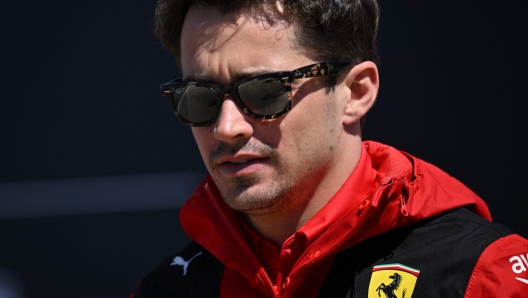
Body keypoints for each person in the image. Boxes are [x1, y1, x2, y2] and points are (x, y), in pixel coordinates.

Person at [132, 0, 528, 297]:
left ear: (355, 93)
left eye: (265, 91)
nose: (226, 127)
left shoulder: (481, 276)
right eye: (200, 97)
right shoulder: (167, 289)